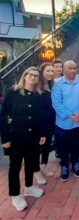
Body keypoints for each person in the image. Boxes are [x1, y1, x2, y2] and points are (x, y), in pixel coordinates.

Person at [0, 67, 46, 211]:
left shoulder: (37, 95)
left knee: (31, 162)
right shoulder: (13, 92)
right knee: (15, 166)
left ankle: (29, 187)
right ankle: (15, 195)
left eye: (36, 76)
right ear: (25, 76)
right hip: (16, 136)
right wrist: (5, 138)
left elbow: (39, 117)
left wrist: (42, 134)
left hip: (32, 136)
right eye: (30, 75)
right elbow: (2, 115)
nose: (33, 78)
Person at [52, 60, 79, 182]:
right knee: (63, 146)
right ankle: (64, 165)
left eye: (74, 68)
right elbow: (56, 103)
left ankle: (75, 163)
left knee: (76, 144)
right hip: (63, 123)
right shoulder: (58, 85)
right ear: (63, 70)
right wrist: (70, 115)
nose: (73, 71)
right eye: (70, 68)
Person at [33, 63, 56, 185]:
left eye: (52, 71)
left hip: (50, 120)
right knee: (37, 146)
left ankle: (44, 165)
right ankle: (36, 170)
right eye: (48, 71)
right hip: (38, 121)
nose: (51, 73)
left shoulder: (52, 85)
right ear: (42, 72)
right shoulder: (37, 87)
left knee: (47, 144)